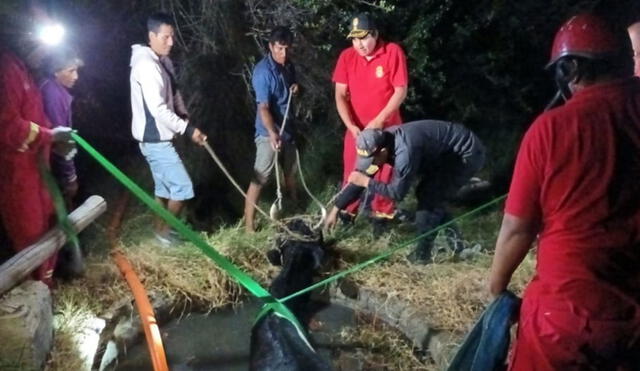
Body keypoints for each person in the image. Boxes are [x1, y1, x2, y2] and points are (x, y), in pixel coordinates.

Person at [488, 14, 640, 369]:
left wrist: (496, 290)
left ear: (568, 70)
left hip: (567, 320)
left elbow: (517, 229)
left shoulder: (550, 129)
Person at [325, 120, 485, 264]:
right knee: (430, 194)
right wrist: (336, 210)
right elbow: (359, 179)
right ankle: (458, 246)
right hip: (443, 155)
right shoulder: (381, 144)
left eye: (372, 160)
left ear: (382, 152)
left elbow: (397, 193)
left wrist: (367, 182)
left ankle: (422, 256)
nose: (370, 164)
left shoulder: (405, 153)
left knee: (429, 196)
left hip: (465, 154)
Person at [0, 9, 78, 287]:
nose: (45, 55)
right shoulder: (7, 70)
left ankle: (49, 294)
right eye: (43, 47)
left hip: (38, 173)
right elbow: (8, 126)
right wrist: (49, 135)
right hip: (18, 179)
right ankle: (39, 306)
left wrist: (56, 142)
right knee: (32, 239)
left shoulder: (26, 73)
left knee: (49, 231)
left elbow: (36, 117)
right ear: (26, 39)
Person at [130, 12, 207, 246]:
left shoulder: (162, 60)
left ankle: (159, 232)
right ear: (151, 36)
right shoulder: (146, 65)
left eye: (172, 37)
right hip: (155, 139)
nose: (171, 42)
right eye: (165, 37)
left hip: (162, 136)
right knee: (183, 189)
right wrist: (187, 129)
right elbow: (158, 109)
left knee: (163, 188)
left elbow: (174, 92)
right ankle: (165, 233)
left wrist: (184, 117)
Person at [332, 13, 408, 233]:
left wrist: (378, 120)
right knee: (352, 171)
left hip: (387, 128)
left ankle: (381, 219)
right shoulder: (347, 57)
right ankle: (347, 214)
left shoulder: (392, 52)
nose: (359, 45)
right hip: (357, 131)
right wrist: (350, 125)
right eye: (355, 39)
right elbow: (339, 95)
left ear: (375, 34)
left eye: (364, 38)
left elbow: (400, 91)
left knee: (385, 172)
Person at [244, 26, 299, 232]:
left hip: (288, 129)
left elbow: (292, 85)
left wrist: (296, 87)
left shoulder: (289, 65)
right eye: (279, 49)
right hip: (268, 133)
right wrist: (272, 132)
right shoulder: (263, 73)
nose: (283, 54)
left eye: (286, 49)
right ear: (270, 46)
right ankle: (249, 226)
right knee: (260, 177)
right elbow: (263, 107)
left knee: (290, 171)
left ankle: (295, 206)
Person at [40, 47, 84, 209]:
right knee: (63, 204)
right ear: (56, 71)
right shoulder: (53, 95)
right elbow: (61, 141)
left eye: (76, 70)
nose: (76, 76)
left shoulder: (50, 87)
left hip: (51, 161)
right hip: (54, 165)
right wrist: (70, 176)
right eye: (71, 71)